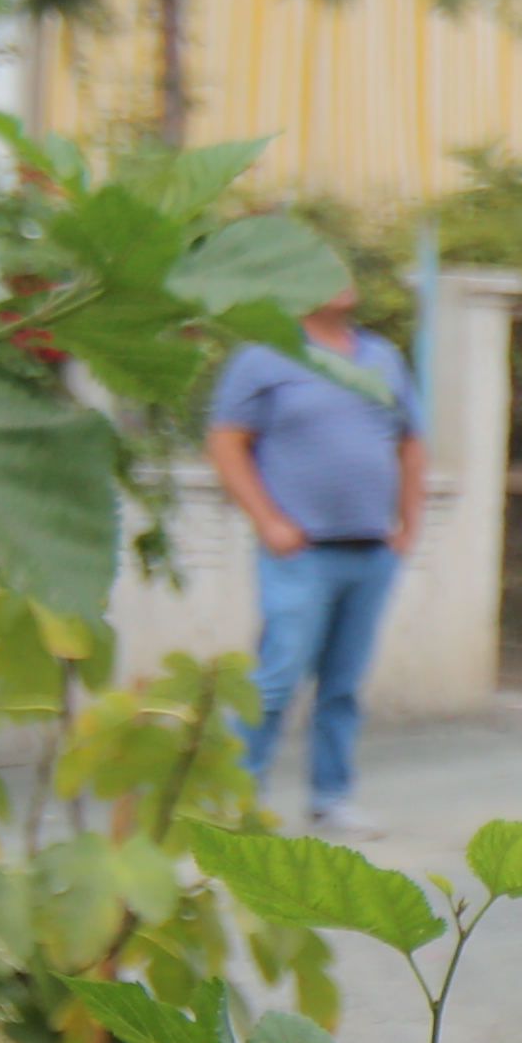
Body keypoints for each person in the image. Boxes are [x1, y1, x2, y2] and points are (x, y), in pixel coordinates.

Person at [208, 292, 426, 833]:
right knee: (277, 677)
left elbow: (411, 439)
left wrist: (409, 523)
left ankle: (332, 797)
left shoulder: (383, 357)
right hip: (301, 553)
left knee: (344, 685)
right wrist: (268, 521)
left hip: (370, 551)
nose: (344, 286)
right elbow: (226, 441)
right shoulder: (265, 356)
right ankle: (237, 797)